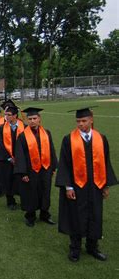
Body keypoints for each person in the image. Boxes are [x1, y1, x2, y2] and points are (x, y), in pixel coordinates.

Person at [55, 107, 117, 262]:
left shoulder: (101, 138)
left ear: (91, 120)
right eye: (78, 121)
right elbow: (64, 164)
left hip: (96, 185)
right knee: (76, 216)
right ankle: (75, 248)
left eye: (83, 121)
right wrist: (68, 186)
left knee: (95, 216)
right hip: (77, 186)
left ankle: (92, 247)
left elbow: (105, 162)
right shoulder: (68, 139)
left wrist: (105, 185)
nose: (80, 124)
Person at [14, 108, 58, 227]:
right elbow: (19, 155)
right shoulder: (22, 136)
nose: (32, 121)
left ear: (39, 119)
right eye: (30, 119)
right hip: (30, 170)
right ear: (27, 120)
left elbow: (51, 150)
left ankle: (45, 215)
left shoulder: (46, 133)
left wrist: (53, 167)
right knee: (31, 193)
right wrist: (23, 173)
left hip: (45, 169)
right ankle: (30, 216)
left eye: (35, 118)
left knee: (45, 191)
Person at [0, 103, 25, 209]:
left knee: (21, 181)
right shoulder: (1, 128)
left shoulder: (24, 128)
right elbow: (1, 145)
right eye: (5, 114)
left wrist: (19, 158)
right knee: (8, 180)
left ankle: (24, 201)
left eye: (9, 115)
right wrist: (9, 157)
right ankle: (10, 202)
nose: (6, 117)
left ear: (15, 115)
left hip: (21, 160)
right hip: (7, 160)